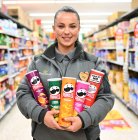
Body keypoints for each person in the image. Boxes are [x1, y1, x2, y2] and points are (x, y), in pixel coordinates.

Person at [16, 6, 114, 140]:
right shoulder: (37, 62)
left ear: (79, 28)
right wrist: (41, 115)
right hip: (45, 135)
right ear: (54, 29)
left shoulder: (94, 63)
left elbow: (106, 98)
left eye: (72, 26)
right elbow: (23, 94)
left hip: (84, 136)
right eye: (61, 26)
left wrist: (84, 119)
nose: (66, 31)